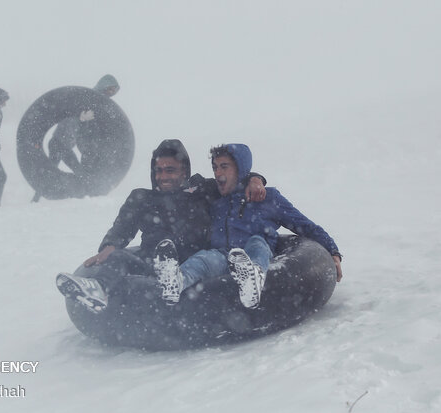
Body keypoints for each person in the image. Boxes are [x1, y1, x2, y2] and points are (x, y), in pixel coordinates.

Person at [55, 139, 267, 313]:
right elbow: (121, 228)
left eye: (170, 170)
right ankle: (97, 291)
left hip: (192, 267)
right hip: (153, 266)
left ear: (184, 172)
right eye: (159, 170)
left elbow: (232, 179)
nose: (162, 177)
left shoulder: (202, 189)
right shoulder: (142, 197)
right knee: (117, 257)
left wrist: (256, 179)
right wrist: (109, 246)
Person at [153, 143, 343, 309]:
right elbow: (189, 189)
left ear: (240, 169)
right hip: (223, 256)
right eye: (215, 167)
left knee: (257, 242)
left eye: (224, 167)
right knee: (204, 258)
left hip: (256, 254)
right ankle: (176, 282)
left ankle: (254, 276)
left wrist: (333, 252)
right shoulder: (217, 201)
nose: (218, 173)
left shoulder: (268, 198)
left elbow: (307, 227)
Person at [31, 74, 120, 202]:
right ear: (104, 87)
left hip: (63, 145)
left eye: (114, 90)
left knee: (67, 172)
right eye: (110, 89)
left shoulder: (98, 105)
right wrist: (81, 117)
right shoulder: (86, 100)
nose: (111, 93)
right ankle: (37, 198)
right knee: (60, 171)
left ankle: (41, 197)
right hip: (58, 144)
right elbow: (68, 114)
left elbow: (86, 130)